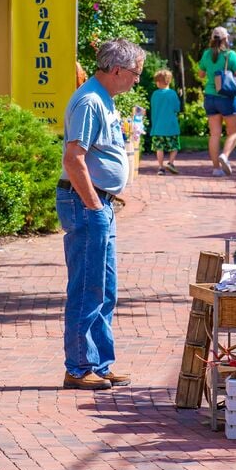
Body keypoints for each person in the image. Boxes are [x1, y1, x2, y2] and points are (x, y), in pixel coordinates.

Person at [56, 38, 145, 391]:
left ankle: (99, 363)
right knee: (87, 288)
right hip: (86, 203)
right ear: (117, 70)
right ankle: (79, 367)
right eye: (135, 73)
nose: (137, 79)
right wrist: (94, 204)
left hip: (98, 203)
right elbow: (73, 158)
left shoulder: (103, 98)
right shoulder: (90, 101)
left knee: (105, 288)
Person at [197, 26, 236, 176]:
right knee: (234, 132)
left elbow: (201, 74)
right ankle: (225, 155)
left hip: (210, 97)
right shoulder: (230, 55)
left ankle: (216, 169)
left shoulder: (206, 54)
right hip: (227, 97)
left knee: (215, 134)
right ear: (225, 39)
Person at [149, 69, 181, 175]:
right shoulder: (172, 94)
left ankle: (161, 168)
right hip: (171, 127)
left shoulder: (155, 94)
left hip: (158, 128)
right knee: (174, 147)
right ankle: (171, 163)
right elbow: (177, 108)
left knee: (159, 148)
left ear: (158, 82)